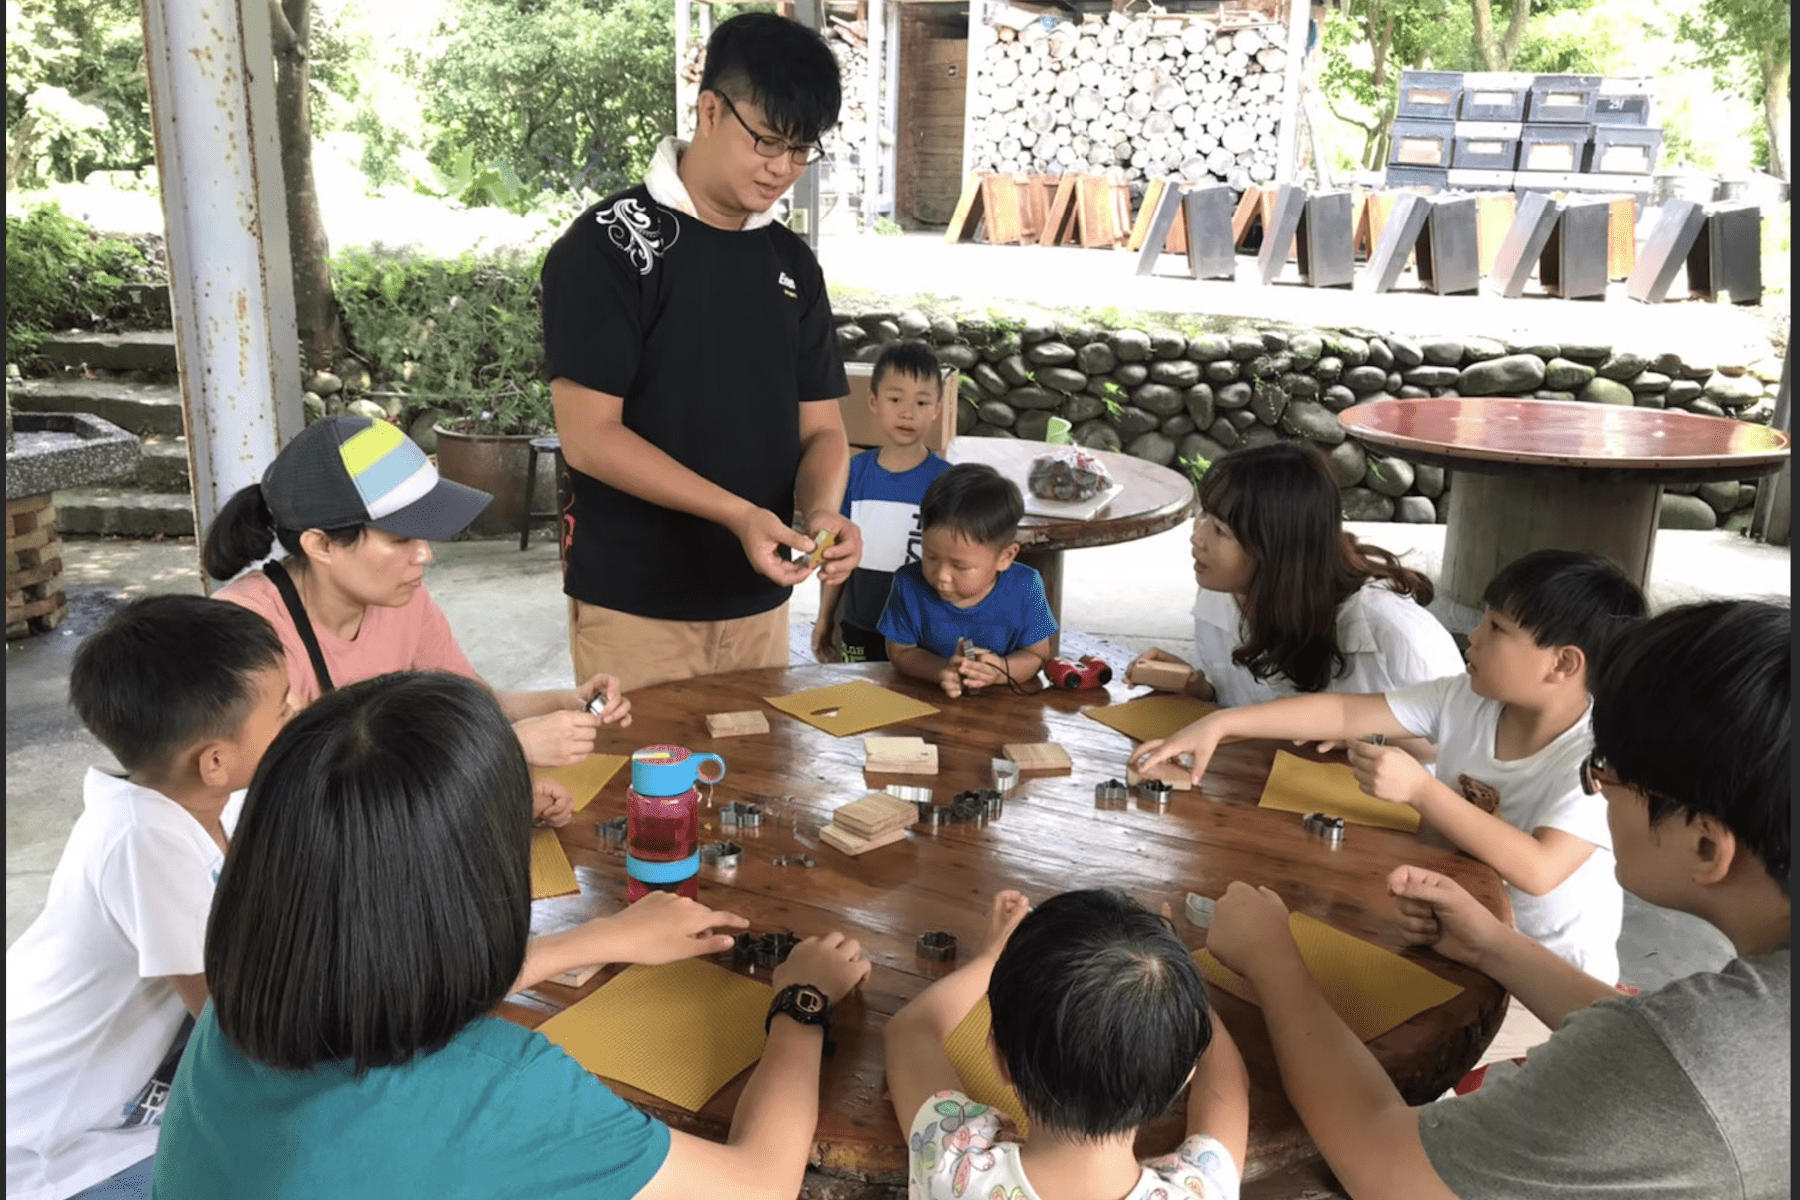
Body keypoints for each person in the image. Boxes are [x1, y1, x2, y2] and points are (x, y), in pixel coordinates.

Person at [152, 670, 873, 1198]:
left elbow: (387, 984)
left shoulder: (248, 1007)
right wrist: (803, 1003)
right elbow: (759, 1185)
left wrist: (594, 942)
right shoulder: (503, 1092)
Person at [1196, 598, 1789, 1200]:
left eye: (1607, 770)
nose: (1597, 786)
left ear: (1708, 848)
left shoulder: (1695, 1064)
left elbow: (1384, 1165)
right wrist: (1493, 945)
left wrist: (1274, 958)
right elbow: (1651, 1040)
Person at [1136, 548, 1647, 998]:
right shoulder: (1464, 698)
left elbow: (1539, 870)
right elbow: (1343, 714)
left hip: (1548, 979)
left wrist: (1422, 790)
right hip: (1451, 933)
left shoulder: (1600, 755)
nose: (1473, 636)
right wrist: (1223, 724)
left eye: (1497, 629)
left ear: (1563, 664)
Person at [542, 12, 865, 693]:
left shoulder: (791, 262)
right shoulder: (607, 248)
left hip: (758, 599)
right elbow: (590, 438)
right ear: (709, 109)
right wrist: (737, 514)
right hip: (635, 604)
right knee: (648, 794)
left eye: (803, 149)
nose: (784, 168)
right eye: (769, 141)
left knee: (755, 789)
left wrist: (825, 512)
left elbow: (824, 429)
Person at [7, 596, 293, 1200]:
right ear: (215, 760)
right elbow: (236, 1028)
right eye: (283, 708)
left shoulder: (206, 804)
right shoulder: (147, 841)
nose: (297, 716)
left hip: (115, 1096)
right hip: (50, 1137)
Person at [204, 415, 631, 774]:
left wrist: (564, 701)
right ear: (321, 546)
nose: (424, 554)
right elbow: (298, 788)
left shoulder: (403, 601)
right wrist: (508, 750)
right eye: (401, 539)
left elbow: (469, 704)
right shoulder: (243, 637)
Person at [885, 889, 1249, 1200]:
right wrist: (1170, 986)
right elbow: (1229, 1086)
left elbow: (911, 1028)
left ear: (999, 1058)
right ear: (1185, 1074)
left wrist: (992, 957)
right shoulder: (1204, 1191)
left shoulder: (954, 1165)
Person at [1127, 442, 1462, 710]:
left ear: (1276, 548)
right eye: (1203, 517)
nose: (1197, 537)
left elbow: (1471, 741)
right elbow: (1248, 709)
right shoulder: (1219, 595)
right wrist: (1201, 691)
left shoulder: (1396, 637)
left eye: (1219, 530)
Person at [812, 340, 952, 665]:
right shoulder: (853, 473)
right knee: (861, 708)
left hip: (922, 634)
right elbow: (835, 551)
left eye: (921, 402)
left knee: (918, 709)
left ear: (938, 407)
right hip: (860, 626)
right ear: (874, 401)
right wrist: (824, 619)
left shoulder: (947, 483)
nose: (907, 412)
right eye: (895, 398)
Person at [879, 463, 1057, 698]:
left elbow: (1038, 655)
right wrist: (941, 670)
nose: (941, 576)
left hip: (1005, 710)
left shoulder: (1026, 587)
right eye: (930, 556)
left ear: (1006, 556)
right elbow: (900, 652)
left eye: (960, 566)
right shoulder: (908, 583)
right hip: (928, 704)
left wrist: (1000, 671)